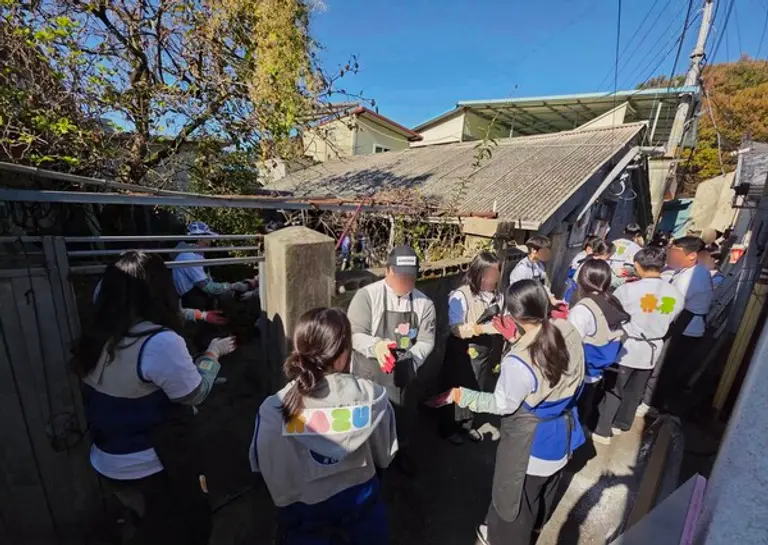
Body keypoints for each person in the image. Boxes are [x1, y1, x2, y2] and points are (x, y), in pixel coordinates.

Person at [72, 251, 236, 545]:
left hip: (107, 460)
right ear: (160, 291)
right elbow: (194, 393)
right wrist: (213, 353)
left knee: (146, 521)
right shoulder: (159, 343)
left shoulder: (98, 333)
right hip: (151, 463)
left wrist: (197, 315)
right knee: (187, 526)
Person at [437, 280, 585, 545]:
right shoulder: (567, 330)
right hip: (563, 435)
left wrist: (461, 395)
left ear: (516, 315)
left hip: (532, 445)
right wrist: (518, 339)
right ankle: (534, 533)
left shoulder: (519, 362)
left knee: (515, 505)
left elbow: (502, 404)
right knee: (543, 495)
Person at [250, 307, 397, 545]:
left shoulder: (274, 408)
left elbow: (264, 465)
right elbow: (385, 455)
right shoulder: (374, 397)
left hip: (303, 512)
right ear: (341, 357)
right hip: (362, 504)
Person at [347, 245, 436, 475]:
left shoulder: (424, 304)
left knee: (403, 418)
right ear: (388, 271)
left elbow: (426, 340)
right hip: (369, 373)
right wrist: (376, 346)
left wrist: (411, 361)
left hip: (403, 374)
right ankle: (368, 465)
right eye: (400, 275)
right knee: (370, 423)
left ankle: (401, 456)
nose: (404, 281)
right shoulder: (367, 296)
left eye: (410, 277)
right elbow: (354, 334)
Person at [594, 248, 684, 441]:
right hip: (652, 347)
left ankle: (603, 429)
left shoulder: (627, 290)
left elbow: (613, 315)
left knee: (614, 388)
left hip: (628, 346)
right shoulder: (675, 294)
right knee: (635, 390)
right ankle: (622, 424)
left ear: (637, 266)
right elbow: (672, 319)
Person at [440, 251, 505, 445]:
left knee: (477, 387)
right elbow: (456, 328)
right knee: (456, 389)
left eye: (495, 274)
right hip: (462, 349)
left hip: (484, 349)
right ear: (477, 273)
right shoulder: (461, 295)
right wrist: (483, 328)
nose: (492, 279)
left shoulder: (497, 296)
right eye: (488, 274)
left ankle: (467, 426)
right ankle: (448, 428)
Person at [645, 236, 713, 411]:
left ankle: (653, 404)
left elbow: (670, 305)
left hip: (685, 328)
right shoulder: (687, 270)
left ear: (691, 256)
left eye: (676, 252)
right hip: (683, 324)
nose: (671, 255)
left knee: (666, 367)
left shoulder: (692, 278)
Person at [568, 259, 629, 429]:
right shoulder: (612, 300)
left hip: (582, 370)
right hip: (598, 368)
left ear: (582, 279)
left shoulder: (583, 309)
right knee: (587, 407)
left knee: (575, 415)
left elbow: (571, 342)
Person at [172, 221, 258, 310]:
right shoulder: (188, 257)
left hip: (199, 302)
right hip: (195, 306)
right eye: (208, 237)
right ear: (200, 238)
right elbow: (209, 288)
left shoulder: (195, 256)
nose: (210, 241)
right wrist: (232, 286)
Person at [563, 236, 601, 304]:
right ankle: (565, 304)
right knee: (570, 292)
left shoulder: (588, 256)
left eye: (592, 248)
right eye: (589, 246)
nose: (589, 249)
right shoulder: (582, 256)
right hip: (575, 276)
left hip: (579, 277)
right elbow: (573, 266)